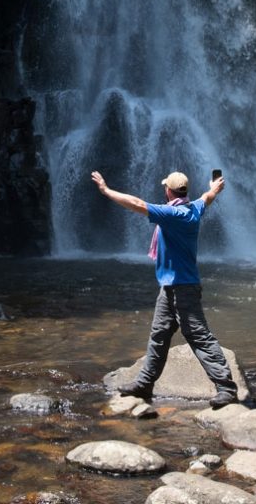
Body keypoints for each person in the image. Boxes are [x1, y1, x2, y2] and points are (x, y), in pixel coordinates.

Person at [90, 168, 240, 408]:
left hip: (183, 287)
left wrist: (106, 190)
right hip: (169, 287)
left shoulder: (173, 214)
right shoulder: (193, 208)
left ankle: (226, 387)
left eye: (165, 188)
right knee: (159, 336)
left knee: (199, 336)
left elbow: (137, 203)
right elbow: (207, 197)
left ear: (168, 191)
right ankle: (145, 383)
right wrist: (215, 187)